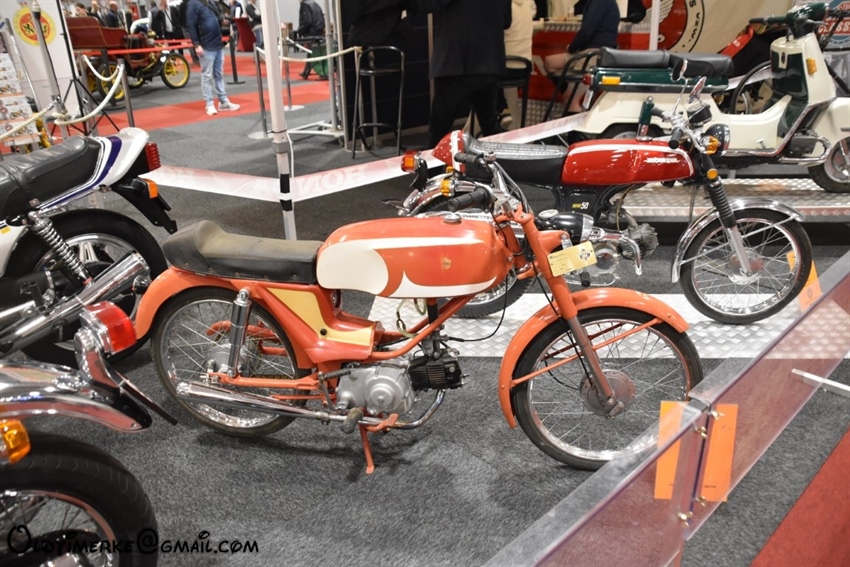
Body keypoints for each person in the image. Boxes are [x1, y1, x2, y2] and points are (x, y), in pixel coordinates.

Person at [403, 0, 512, 148]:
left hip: (455, 62)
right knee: (490, 127)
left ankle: (434, 163)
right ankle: (498, 161)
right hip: (489, 60)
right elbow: (506, 21)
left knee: (438, 132)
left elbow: (429, 4)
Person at [544, 0, 619, 113]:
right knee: (549, 62)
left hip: (593, 53)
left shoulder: (599, 2)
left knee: (571, 99)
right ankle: (568, 93)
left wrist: (572, 47)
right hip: (589, 51)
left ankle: (572, 105)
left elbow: (586, 31)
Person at [186, 0, 241, 116]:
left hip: (217, 43)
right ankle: (209, 104)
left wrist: (222, 21)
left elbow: (216, 16)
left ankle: (223, 101)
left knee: (218, 74)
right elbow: (191, 25)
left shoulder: (210, 2)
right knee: (207, 76)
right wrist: (196, 44)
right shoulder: (193, 3)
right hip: (206, 45)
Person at [501, 0, 537, 130]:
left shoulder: (502, 5)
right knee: (510, 101)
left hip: (504, 66)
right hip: (524, 67)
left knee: (479, 83)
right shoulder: (528, 3)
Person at [297, 0, 325, 80]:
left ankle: (322, 73)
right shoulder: (315, 3)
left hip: (312, 32)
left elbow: (307, 21)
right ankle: (306, 72)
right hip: (319, 30)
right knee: (314, 52)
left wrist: (300, 31)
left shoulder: (305, 5)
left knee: (312, 53)